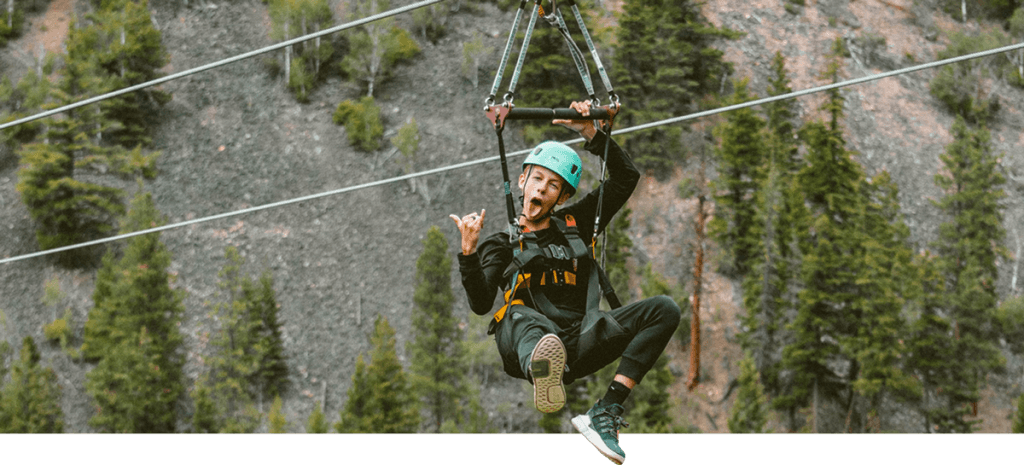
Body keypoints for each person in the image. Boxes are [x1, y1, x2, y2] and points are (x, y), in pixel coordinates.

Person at [450, 101, 680, 464]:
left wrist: (592, 133)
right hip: (523, 341)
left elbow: (625, 179)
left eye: (553, 185)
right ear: (522, 181)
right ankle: (542, 366)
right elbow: (480, 303)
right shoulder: (502, 243)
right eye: (537, 179)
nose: (541, 190)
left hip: (579, 340)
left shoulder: (577, 223)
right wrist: (468, 253)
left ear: (563, 197)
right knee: (527, 321)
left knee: (664, 310)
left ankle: (604, 412)